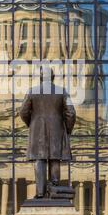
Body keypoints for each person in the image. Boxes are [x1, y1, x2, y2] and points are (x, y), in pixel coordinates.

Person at [19, 67, 76, 198]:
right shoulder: (62, 92)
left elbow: (23, 112)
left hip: (37, 131)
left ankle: (40, 193)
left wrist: (32, 123)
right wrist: (67, 129)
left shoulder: (32, 92)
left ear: (40, 77)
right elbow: (71, 113)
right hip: (57, 130)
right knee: (55, 159)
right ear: (52, 77)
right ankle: (54, 189)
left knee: (40, 159)